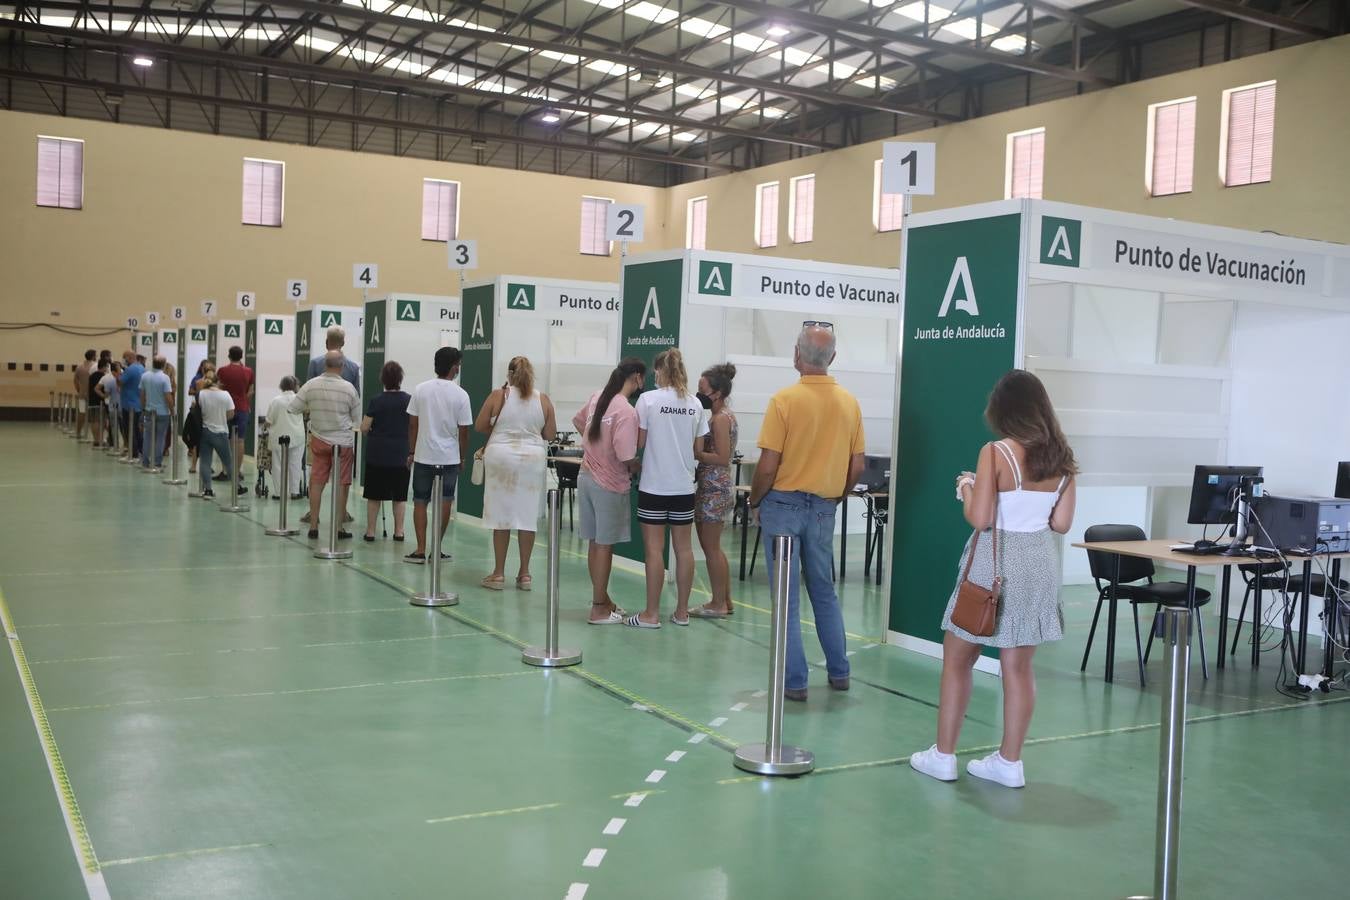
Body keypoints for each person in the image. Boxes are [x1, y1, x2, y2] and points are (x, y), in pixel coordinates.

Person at [910, 370, 1078, 789]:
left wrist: (967, 486)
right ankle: (1009, 762)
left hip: (995, 564)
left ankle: (944, 756)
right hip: (1039, 562)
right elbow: (1061, 523)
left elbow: (981, 518)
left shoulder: (995, 453)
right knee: (1019, 668)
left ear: (1004, 409)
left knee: (958, 659)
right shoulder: (1062, 458)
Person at [749, 323, 865, 700]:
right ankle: (839, 670)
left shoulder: (783, 401)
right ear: (832, 358)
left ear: (796, 355)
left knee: (786, 598)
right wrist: (837, 496)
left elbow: (768, 464)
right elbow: (858, 465)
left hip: (782, 505)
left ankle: (795, 681)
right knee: (824, 590)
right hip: (823, 509)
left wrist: (754, 501)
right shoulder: (850, 403)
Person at [625, 348, 708, 629]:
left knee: (653, 550)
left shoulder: (648, 400)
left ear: (659, 371)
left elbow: (638, 442)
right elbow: (698, 449)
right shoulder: (695, 404)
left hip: (654, 486)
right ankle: (682, 612)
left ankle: (650, 614)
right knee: (683, 549)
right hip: (684, 486)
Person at [573, 359, 645, 625]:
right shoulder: (626, 411)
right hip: (609, 484)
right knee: (605, 546)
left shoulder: (598, 397)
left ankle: (603, 601)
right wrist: (638, 465)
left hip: (586, 476)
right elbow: (626, 455)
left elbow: (580, 422)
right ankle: (598, 609)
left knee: (595, 543)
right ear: (637, 377)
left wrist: (596, 446)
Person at [475, 356, 556, 590]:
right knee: (527, 516)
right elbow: (549, 434)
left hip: (500, 456)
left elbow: (480, 425)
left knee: (501, 516)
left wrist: (502, 427)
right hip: (532, 459)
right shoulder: (543, 399)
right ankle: (525, 574)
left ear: (509, 374)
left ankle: (499, 574)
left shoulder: (498, 395)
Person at [405, 347, 472, 564]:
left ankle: (420, 549)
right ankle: (437, 548)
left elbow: (413, 425)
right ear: (454, 367)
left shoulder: (420, 390)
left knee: (419, 501)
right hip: (449, 458)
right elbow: (463, 431)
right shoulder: (461, 395)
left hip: (424, 455)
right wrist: (462, 457)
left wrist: (412, 451)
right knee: (445, 500)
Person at [290, 351, 361, 541]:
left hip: (319, 439)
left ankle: (313, 526)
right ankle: (338, 527)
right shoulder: (348, 388)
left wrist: (312, 409)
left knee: (317, 482)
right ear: (342, 366)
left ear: (324, 366)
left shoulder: (310, 385)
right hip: (343, 443)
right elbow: (357, 419)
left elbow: (293, 408)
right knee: (342, 484)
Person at [691, 363, 739, 619]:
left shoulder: (720, 419)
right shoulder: (722, 416)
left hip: (714, 488)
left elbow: (722, 457)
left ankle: (718, 602)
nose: (698, 394)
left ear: (717, 393)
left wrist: (697, 453)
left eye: (702, 389)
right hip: (712, 487)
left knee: (711, 548)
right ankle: (725, 599)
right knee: (714, 547)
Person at [359, 362, 411, 542]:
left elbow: (365, 427)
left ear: (383, 380)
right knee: (399, 495)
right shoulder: (408, 400)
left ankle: (371, 531)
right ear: (400, 379)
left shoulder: (376, 400)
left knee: (374, 495)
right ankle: (399, 531)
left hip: (377, 454)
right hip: (401, 454)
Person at [216, 346, 254, 486]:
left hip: (225, 409)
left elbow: (218, 389)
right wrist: (244, 401)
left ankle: (226, 470)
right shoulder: (248, 371)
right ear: (241, 356)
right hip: (242, 408)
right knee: (239, 441)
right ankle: (237, 472)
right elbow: (250, 391)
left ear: (229, 356)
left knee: (225, 439)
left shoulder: (222, 371)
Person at [264, 375, 306, 502]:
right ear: (295, 386)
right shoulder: (299, 400)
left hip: (278, 437)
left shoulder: (275, 401)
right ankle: (294, 492)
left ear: (282, 386)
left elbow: (269, 420)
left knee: (278, 465)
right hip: (297, 437)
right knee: (295, 464)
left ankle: (279, 493)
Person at [194, 375, 235, 501]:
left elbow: (197, 411)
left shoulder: (201, 394)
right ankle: (236, 487)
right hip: (221, 432)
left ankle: (208, 490)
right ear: (218, 382)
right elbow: (231, 414)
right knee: (228, 462)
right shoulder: (226, 395)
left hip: (206, 431)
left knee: (205, 461)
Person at [138, 355, 174, 469]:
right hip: (163, 412)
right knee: (160, 437)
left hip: (149, 410)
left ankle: (145, 461)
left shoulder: (145, 376)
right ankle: (157, 461)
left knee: (147, 436)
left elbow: (142, 395)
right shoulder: (165, 378)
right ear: (163, 365)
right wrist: (172, 410)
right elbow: (168, 396)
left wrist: (144, 408)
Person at [307, 325, 361, 391]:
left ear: (326, 342)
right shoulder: (354, 368)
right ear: (343, 343)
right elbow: (356, 396)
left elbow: (308, 391)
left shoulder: (314, 364)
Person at [188, 361, 216, 474]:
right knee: (208, 442)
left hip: (198, 413)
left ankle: (194, 466)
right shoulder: (215, 385)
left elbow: (196, 396)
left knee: (197, 441)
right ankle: (206, 465)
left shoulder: (198, 382)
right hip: (209, 414)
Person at [119, 350, 145, 458]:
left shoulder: (129, 370)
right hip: (138, 403)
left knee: (129, 430)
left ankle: (133, 453)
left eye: (124, 358)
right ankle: (141, 450)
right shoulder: (142, 368)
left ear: (129, 357)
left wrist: (117, 374)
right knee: (136, 429)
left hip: (129, 404)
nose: (123, 360)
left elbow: (120, 382)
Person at [73, 349, 96, 440]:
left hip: (82, 394)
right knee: (95, 416)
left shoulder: (79, 367)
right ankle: (96, 437)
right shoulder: (95, 366)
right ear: (93, 356)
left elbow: (75, 381)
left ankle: (78, 432)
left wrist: (80, 390)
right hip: (93, 395)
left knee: (81, 413)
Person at [99, 361, 122, 449]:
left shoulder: (110, 380)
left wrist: (105, 397)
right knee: (117, 427)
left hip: (115, 406)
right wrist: (105, 397)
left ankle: (117, 445)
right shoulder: (111, 381)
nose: (121, 370)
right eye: (119, 369)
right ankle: (118, 445)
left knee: (115, 427)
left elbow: (106, 393)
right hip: (116, 406)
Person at [88, 358, 109, 447]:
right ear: (104, 367)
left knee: (93, 421)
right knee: (101, 421)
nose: (108, 368)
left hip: (92, 401)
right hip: (100, 401)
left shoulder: (92, 376)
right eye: (107, 366)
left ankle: (96, 440)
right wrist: (104, 397)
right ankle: (100, 440)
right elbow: (103, 389)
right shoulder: (104, 376)